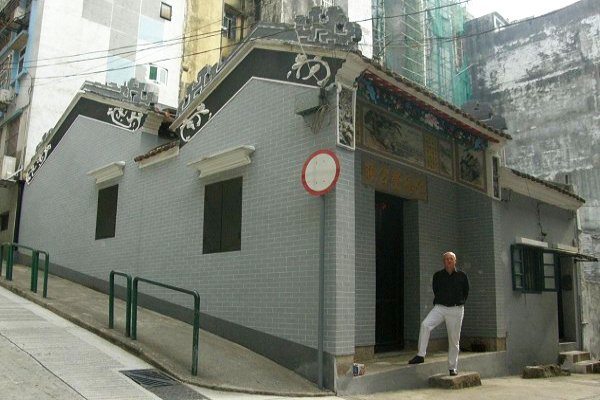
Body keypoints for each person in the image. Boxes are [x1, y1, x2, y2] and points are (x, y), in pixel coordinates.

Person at [408, 251, 469, 376]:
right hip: (440, 307)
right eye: (446, 259)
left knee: (453, 339)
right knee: (425, 324)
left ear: (455, 261)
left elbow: (466, 291)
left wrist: (458, 302)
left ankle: (452, 367)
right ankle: (421, 355)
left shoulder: (462, 276)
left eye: (451, 259)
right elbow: (436, 289)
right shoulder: (438, 275)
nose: (449, 261)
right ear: (443, 261)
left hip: (456, 309)